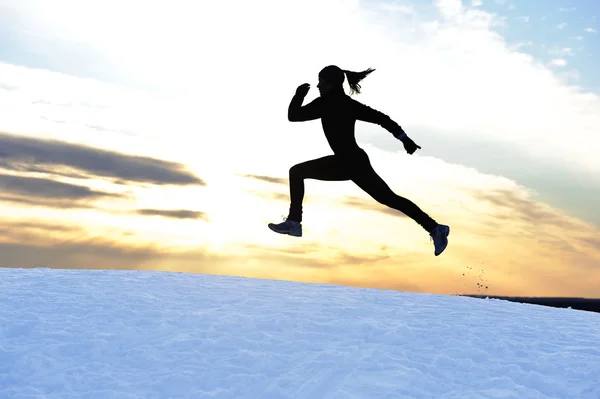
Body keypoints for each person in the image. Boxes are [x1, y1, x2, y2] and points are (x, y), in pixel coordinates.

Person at [268, 65, 450, 256]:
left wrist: (299, 95)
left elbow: (293, 115)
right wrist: (404, 139)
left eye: (321, 81)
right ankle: (435, 228)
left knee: (297, 172)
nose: (318, 85)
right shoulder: (338, 103)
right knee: (390, 199)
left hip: (350, 162)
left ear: (330, 83)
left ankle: (294, 223)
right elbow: (383, 119)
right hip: (351, 162)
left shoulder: (327, 104)